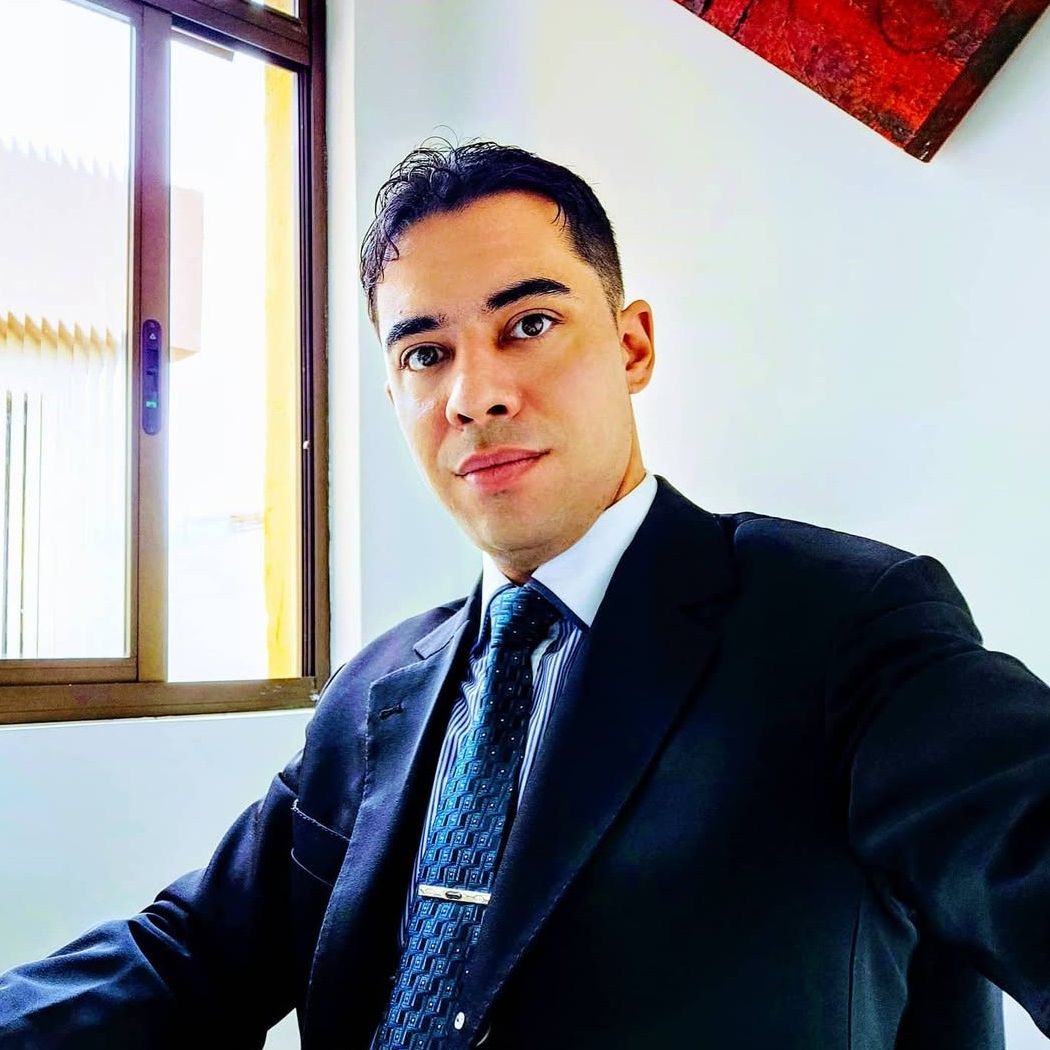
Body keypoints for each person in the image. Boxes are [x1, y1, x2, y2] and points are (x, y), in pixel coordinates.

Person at [2, 139, 1050, 1050]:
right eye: (426, 353)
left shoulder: (840, 623)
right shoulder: (372, 691)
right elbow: (192, 952)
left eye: (530, 324)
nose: (476, 395)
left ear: (632, 345)